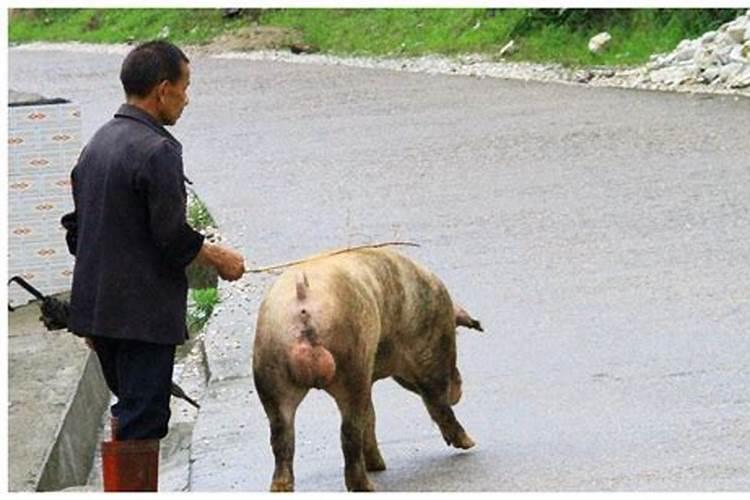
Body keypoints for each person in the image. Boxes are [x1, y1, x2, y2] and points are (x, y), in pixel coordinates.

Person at [60, 40, 245, 492]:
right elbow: (171, 237)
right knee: (143, 420)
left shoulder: (97, 144)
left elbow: (76, 232)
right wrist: (216, 256)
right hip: (140, 316)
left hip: (102, 315)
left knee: (132, 413)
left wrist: (93, 316)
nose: (187, 98)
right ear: (163, 90)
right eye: (185, 87)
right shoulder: (157, 150)